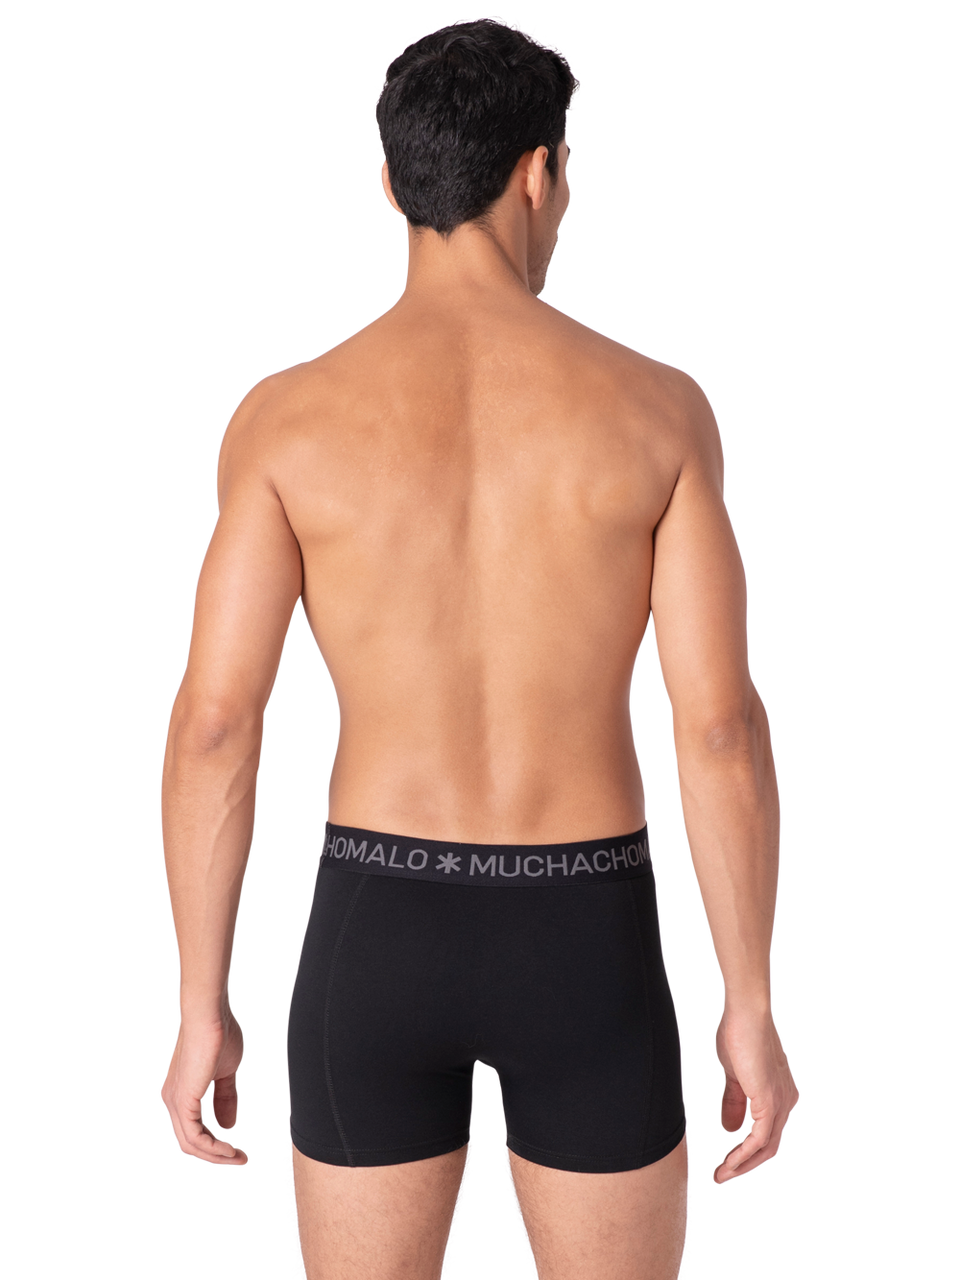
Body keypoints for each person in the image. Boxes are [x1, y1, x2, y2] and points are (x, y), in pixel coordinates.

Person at [158, 13, 800, 1279]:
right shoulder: (660, 409)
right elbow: (720, 725)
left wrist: (197, 1002)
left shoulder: (286, 417)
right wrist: (751, 1002)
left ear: (390, 182)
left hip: (372, 925)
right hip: (586, 931)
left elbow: (217, 723)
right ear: (541, 173)